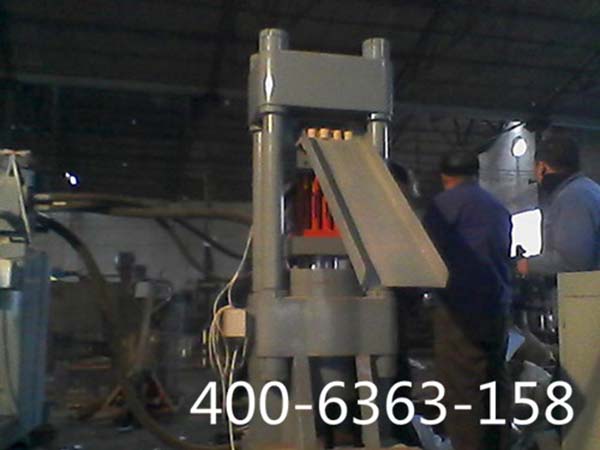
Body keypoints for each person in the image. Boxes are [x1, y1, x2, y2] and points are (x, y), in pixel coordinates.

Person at [423, 151, 512, 450]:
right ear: (476, 174)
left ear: (444, 177)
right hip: (497, 308)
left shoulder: (443, 206)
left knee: (463, 391)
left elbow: (427, 256)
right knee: (495, 384)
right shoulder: (498, 207)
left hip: (459, 311)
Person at [517, 135, 600, 277]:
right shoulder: (589, 189)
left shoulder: (572, 197)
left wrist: (528, 265)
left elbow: (573, 261)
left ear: (542, 167)